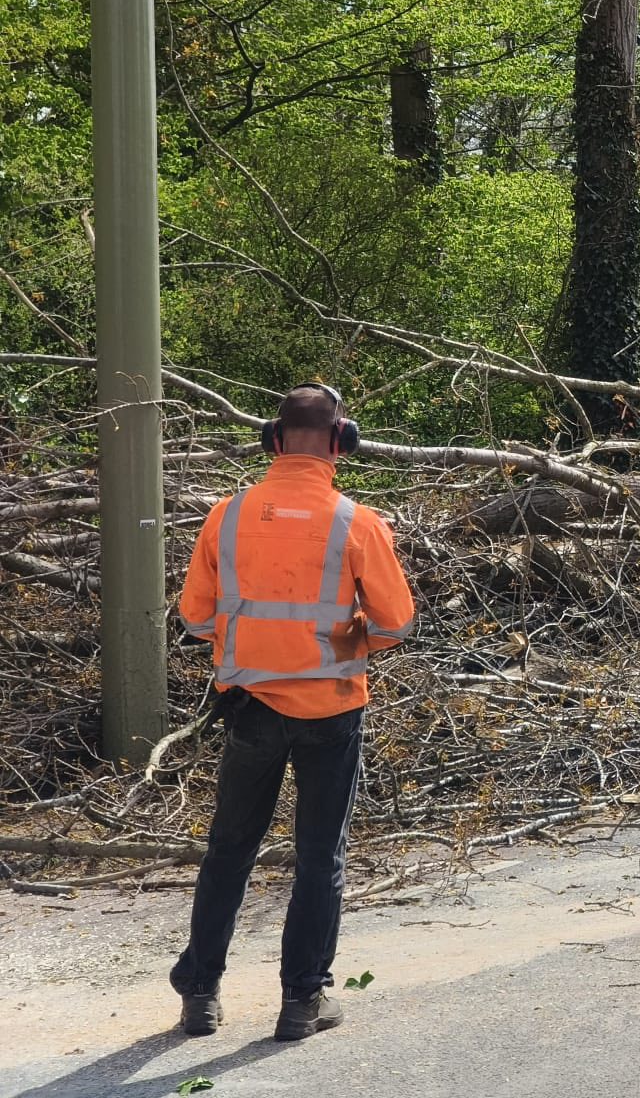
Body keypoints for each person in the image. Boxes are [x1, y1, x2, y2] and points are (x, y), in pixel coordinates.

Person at [170, 383, 415, 1042]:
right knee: (318, 858)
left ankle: (200, 995)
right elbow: (395, 625)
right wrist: (347, 634)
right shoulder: (357, 523)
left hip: (248, 706)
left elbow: (195, 619)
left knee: (229, 849)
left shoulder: (227, 514)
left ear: (272, 441)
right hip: (331, 711)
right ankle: (302, 1002)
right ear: (343, 442)